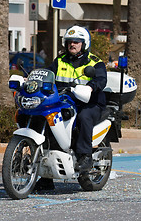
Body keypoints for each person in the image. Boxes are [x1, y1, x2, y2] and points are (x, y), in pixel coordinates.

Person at [35, 25, 107, 190]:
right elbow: (47, 74)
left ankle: (85, 156)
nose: (72, 45)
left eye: (76, 42)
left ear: (84, 44)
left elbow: (101, 79)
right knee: (50, 123)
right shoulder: (59, 61)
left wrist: (90, 87)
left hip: (89, 103)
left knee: (84, 117)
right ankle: (46, 177)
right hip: (64, 101)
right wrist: (32, 80)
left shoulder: (95, 62)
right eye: (69, 42)